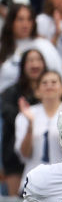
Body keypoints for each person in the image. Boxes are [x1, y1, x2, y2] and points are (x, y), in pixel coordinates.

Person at [1, 47, 46, 193]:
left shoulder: (50, 90)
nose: (35, 64)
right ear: (23, 66)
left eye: (38, 60)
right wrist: (25, 115)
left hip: (43, 154)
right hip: (14, 153)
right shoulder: (11, 91)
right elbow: (6, 113)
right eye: (30, 60)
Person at [12, 69, 62, 172]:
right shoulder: (25, 115)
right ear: (37, 91)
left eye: (54, 82)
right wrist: (30, 125)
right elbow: (24, 154)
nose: (49, 86)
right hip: (32, 176)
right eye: (44, 83)